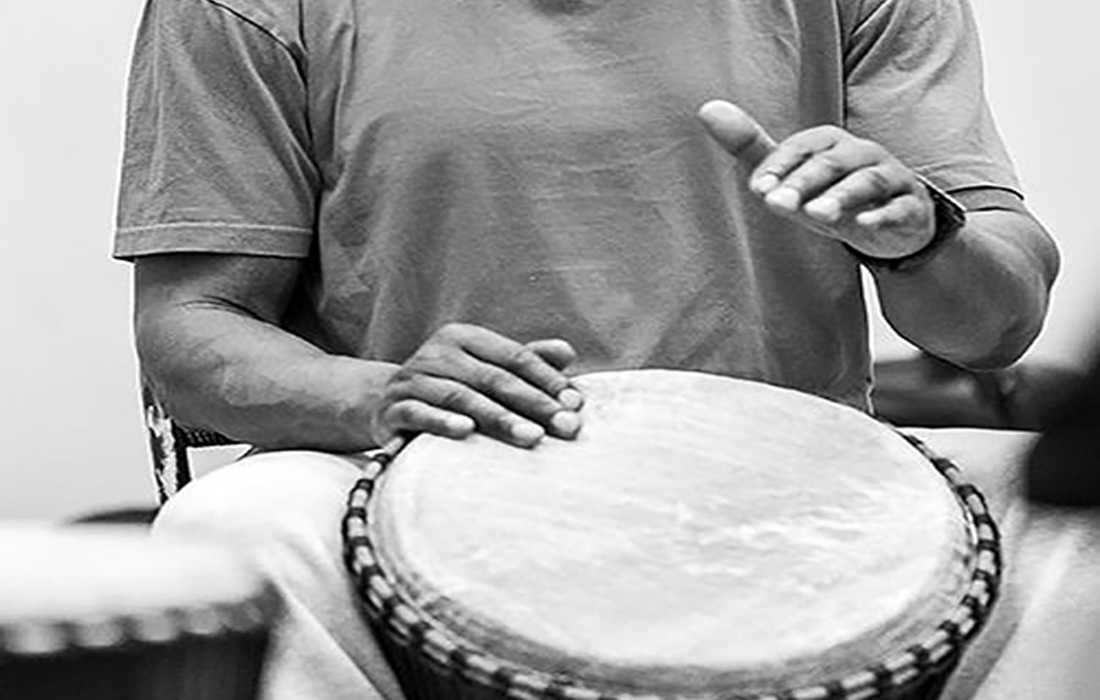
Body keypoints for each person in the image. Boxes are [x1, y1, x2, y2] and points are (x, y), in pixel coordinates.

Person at [114, 0, 1058, 697]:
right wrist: (379, 392)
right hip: (412, 467)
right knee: (232, 531)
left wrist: (927, 237)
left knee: (1077, 520)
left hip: (798, 486)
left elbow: (996, 325)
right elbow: (192, 327)